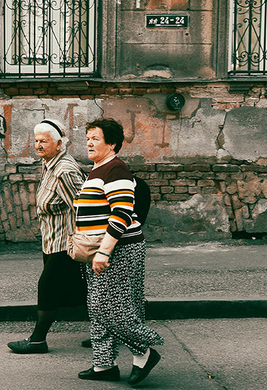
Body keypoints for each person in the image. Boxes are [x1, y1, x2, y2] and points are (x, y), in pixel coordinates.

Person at [74, 118, 163, 385]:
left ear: (111, 144)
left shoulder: (117, 169)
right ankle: (103, 365)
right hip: (98, 249)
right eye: (87, 137)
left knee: (109, 308)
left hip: (118, 250)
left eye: (96, 138)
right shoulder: (98, 169)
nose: (89, 142)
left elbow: (122, 213)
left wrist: (104, 252)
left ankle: (145, 351)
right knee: (97, 307)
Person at [7, 118, 86, 354]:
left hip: (66, 243)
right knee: (82, 290)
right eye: (37, 141)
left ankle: (37, 340)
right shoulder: (49, 164)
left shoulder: (65, 170)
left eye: (44, 141)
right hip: (52, 241)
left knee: (48, 288)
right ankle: (107, 334)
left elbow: (83, 207)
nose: (39, 145)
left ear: (59, 143)